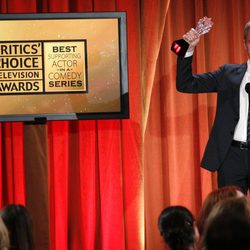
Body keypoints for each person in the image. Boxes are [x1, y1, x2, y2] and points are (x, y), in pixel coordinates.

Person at [176, 18, 250, 194]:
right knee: (229, 215)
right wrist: (189, 49)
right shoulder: (228, 74)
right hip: (232, 156)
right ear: (245, 44)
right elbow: (186, 84)